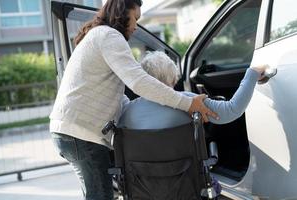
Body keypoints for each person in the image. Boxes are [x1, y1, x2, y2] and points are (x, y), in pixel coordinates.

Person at [49, 0, 218, 200]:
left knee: (96, 194)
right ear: (122, 12)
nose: (136, 25)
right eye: (135, 18)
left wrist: (136, 110)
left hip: (69, 130)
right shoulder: (110, 36)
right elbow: (139, 81)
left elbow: (114, 93)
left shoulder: (98, 35)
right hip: (81, 134)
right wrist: (188, 103)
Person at [118, 51, 266, 129]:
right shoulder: (189, 102)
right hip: (186, 180)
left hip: (141, 183)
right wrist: (251, 74)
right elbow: (231, 111)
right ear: (173, 79)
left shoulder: (127, 112)